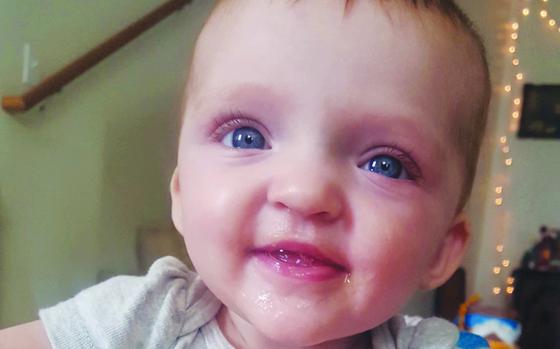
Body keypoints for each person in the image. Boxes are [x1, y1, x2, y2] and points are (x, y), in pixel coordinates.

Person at [0, 0, 491, 347]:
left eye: (384, 164)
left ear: (443, 247)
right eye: (246, 137)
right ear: (180, 193)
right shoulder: (142, 320)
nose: (303, 193)